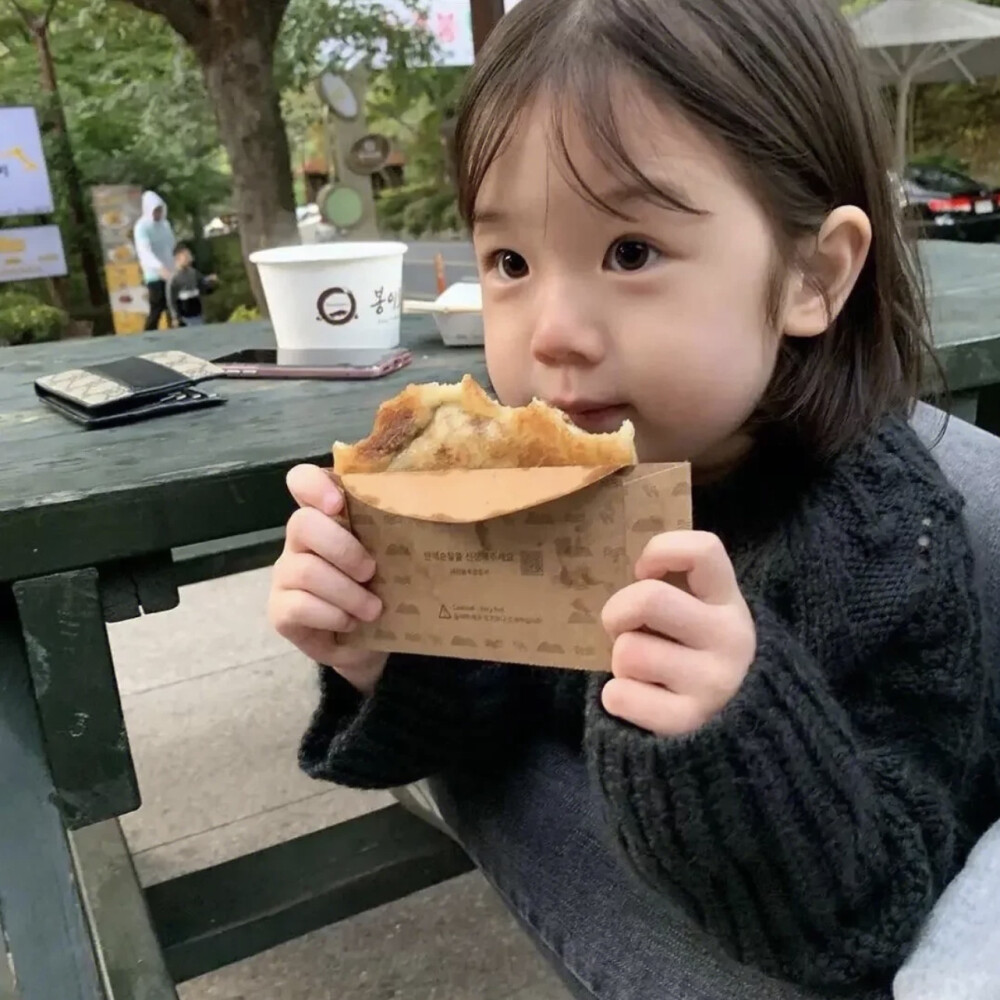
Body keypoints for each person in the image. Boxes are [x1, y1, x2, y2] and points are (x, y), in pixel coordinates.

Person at [268, 0, 1000, 993]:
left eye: (629, 252)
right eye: (510, 263)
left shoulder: (879, 541)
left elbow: (879, 905)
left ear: (811, 274)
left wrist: (737, 729)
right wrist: (384, 654)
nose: (554, 330)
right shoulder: (547, 490)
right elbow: (505, 700)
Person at [133, 190, 175, 331]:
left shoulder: (165, 225)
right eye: (155, 211)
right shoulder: (141, 227)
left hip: (170, 271)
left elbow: (171, 246)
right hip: (154, 274)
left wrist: (174, 265)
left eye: (159, 210)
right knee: (157, 306)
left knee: (173, 306)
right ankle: (149, 335)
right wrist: (159, 267)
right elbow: (145, 252)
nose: (158, 214)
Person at [167, 241, 217, 327]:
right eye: (186, 256)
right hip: (184, 315)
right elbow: (171, 300)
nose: (189, 258)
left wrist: (210, 282)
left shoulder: (193, 273)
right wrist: (175, 317)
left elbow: (202, 285)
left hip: (197, 312)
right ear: (177, 258)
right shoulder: (174, 278)